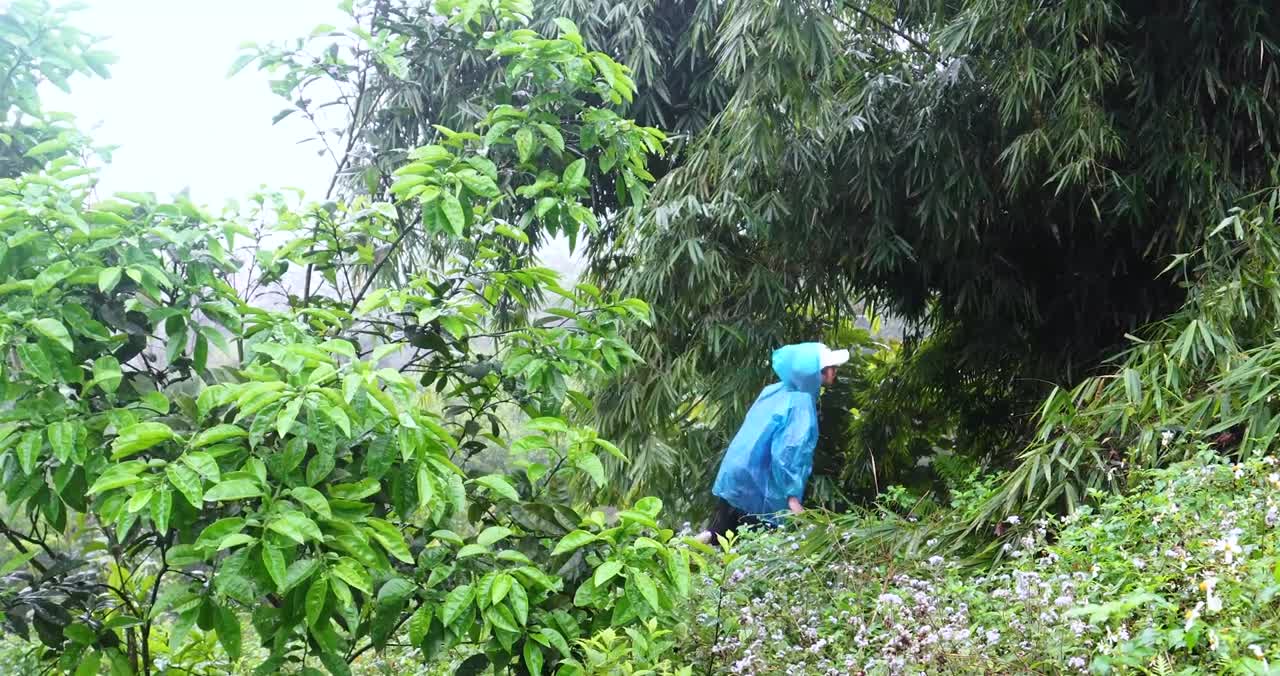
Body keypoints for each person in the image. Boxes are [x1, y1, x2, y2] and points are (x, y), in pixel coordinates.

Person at [695, 342, 848, 544]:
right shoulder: (800, 404)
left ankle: (680, 549)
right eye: (830, 368)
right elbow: (788, 452)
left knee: (716, 534)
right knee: (755, 546)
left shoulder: (774, 391)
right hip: (760, 487)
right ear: (815, 373)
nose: (834, 372)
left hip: (737, 476)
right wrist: (791, 496)